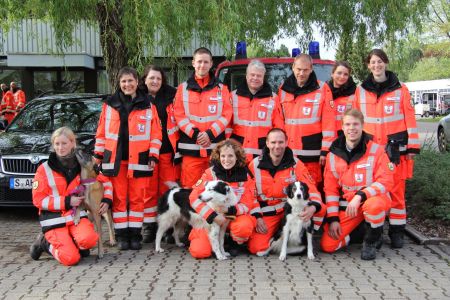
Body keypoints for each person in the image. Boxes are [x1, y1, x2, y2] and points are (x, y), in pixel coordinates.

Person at [351, 49, 420, 248]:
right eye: (372, 62)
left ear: (386, 63)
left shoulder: (401, 89)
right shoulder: (360, 90)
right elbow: (354, 119)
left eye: (380, 61)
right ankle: (376, 232)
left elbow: (410, 118)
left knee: (397, 190)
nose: (376, 65)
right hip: (371, 150)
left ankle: (397, 232)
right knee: (374, 190)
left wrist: (412, 146)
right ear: (368, 65)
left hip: (395, 149)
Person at [94, 67, 162, 250]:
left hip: (140, 160)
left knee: (138, 199)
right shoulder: (109, 105)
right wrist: (98, 156)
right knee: (119, 200)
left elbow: (156, 134)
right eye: (123, 81)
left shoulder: (148, 104)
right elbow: (101, 134)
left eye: (130, 81)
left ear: (137, 82)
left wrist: (153, 155)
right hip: (115, 160)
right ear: (119, 83)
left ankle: (135, 236)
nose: (127, 85)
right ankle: (123, 236)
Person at [30, 127, 113, 266]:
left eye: (64, 143)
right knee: (71, 258)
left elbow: (105, 180)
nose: (60, 148)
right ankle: (44, 244)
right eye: (57, 144)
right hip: (53, 219)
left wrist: (107, 199)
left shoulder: (81, 165)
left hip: (74, 217)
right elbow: (38, 200)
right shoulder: (44, 169)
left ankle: (75, 244)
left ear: (72, 144)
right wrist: (67, 201)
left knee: (90, 240)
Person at [320, 109, 395, 260]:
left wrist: (361, 195)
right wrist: (333, 218)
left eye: (355, 124)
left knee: (374, 207)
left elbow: (385, 181)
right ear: (342, 127)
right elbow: (331, 190)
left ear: (362, 126)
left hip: (372, 200)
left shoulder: (377, 150)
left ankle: (371, 240)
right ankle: (360, 232)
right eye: (347, 124)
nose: (351, 128)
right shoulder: (333, 155)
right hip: (351, 207)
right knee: (328, 246)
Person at [247, 128, 326, 255]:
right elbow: (250, 195)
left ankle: (306, 239)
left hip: (292, 210)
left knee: (320, 208)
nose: (277, 146)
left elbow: (311, 188)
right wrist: (257, 217)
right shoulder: (254, 165)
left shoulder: (296, 164)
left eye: (280, 142)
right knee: (257, 248)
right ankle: (278, 241)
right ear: (267, 143)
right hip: (268, 213)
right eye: (273, 142)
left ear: (286, 142)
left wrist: (313, 207)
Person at [173, 47, 232, 188]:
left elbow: (226, 115)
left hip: (215, 151)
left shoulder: (222, 89)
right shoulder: (182, 88)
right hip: (191, 151)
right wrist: (196, 134)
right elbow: (179, 115)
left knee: (215, 191)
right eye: (199, 61)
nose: (202, 65)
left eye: (206, 62)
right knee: (190, 189)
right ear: (193, 63)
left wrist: (210, 134)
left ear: (211, 64)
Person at [188, 139, 257, 258]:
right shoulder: (210, 173)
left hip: (233, 217)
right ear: (218, 156)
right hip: (209, 219)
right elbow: (194, 197)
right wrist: (213, 216)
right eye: (223, 156)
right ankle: (200, 239)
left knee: (243, 227)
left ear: (237, 157)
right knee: (200, 251)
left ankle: (232, 242)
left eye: (231, 156)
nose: (226, 159)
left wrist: (230, 211)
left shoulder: (245, 176)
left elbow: (248, 203)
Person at [278, 54, 335, 186]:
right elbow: (279, 120)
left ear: (311, 69)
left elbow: (329, 122)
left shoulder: (322, 89)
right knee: (289, 192)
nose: (301, 73)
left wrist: (325, 150)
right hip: (288, 152)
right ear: (293, 68)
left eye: (305, 70)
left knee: (311, 191)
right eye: (298, 69)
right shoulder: (283, 90)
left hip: (312, 154)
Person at [140, 65, 181, 243]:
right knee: (148, 191)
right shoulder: (138, 97)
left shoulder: (172, 95)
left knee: (167, 191)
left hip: (167, 151)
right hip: (146, 152)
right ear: (145, 80)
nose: (155, 81)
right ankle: (149, 226)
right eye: (151, 78)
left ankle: (167, 227)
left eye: (158, 78)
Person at [228, 59, 284, 162]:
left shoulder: (273, 98)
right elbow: (227, 126)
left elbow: (279, 128)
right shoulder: (233, 96)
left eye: (259, 76)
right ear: (246, 75)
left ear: (263, 78)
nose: (255, 78)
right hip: (237, 153)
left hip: (263, 154)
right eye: (252, 75)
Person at [323, 61, 356, 136]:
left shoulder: (354, 95)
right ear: (332, 74)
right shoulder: (323, 93)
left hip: (345, 139)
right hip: (325, 139)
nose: (342, 77)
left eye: (345, 74)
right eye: (339, 73)